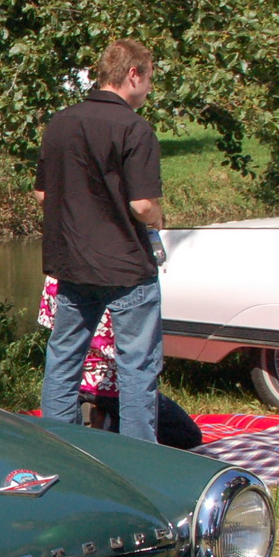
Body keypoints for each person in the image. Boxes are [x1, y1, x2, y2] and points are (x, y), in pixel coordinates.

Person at [34, 38, 165, 442]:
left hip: (72, 264)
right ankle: (139, 458)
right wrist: (160, 219)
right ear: (133, 74)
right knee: (137, 366)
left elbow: (42, 194)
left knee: (63, 358)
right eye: (148, 81)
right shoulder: (135, 128)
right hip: (127, 269)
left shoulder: (61, 123)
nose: (148, 91)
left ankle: (59, 446)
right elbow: (142, 204)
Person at [36, 276, 203, 449]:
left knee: (62, 356)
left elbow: (50, 325)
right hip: (115, 385)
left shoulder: (55, 278)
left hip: (76, 380)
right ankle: (122, 441)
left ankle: (59, 445)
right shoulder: (127, 279)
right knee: (188, 434)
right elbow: (139, 353)